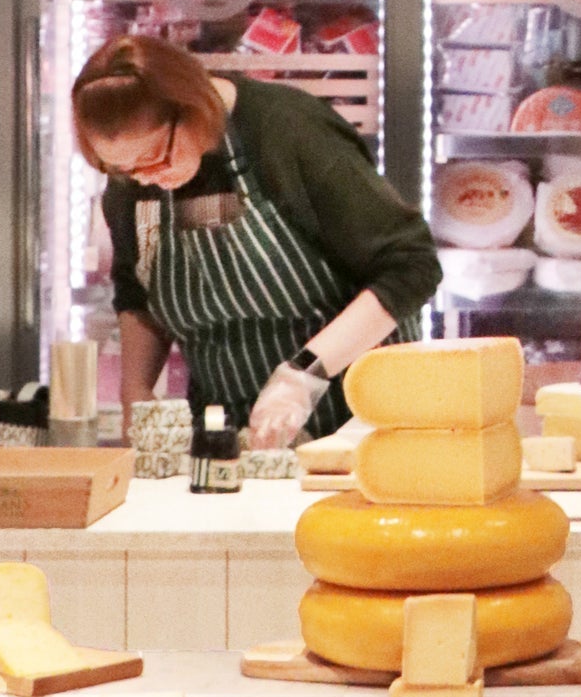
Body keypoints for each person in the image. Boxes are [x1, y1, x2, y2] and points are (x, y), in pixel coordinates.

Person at [71, 33, 441, 447]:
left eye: (156, 157)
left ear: (194, 109)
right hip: (230, 435)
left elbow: (412, 266)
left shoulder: (287, 130)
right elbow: (137, 293)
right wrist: (135, 394)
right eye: (122, 169)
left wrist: (302, 376)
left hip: (361, 426)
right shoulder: (133, 181)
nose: (145, 178)